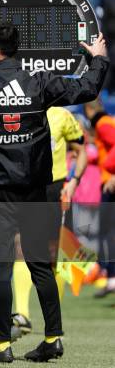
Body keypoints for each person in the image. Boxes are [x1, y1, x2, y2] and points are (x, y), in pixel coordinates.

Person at [0, 21, 108, 362]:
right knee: (41, 267)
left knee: (0, 267)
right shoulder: (39, 82)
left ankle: (1, 346)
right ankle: (53, 338)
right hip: (37, 190)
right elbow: (88, 89)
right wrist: (99, 58)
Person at [12, 107, 88, 334]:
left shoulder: (62, 115)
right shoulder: (20, 109)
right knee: (21, 246)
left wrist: (74, 181)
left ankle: (54, 319)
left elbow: (81, 149)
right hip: (27, 187)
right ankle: (22, 314)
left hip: (55, 188)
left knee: (55, 255)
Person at [83, 100, 115, 298]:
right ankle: (109, 275)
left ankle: (111, 277)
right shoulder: (107, 122)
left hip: (110, 183)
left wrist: (112, 172)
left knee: (108, 232)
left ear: (88, 109)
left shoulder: (103, 124)